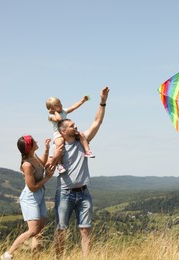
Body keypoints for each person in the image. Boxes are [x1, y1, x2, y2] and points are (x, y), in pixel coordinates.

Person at [50, 86, 110, 258]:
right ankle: (59, 257)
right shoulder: (58, 146)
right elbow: (50, 166)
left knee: (85, 230)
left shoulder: (82, 140)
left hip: (84, 193)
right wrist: (55, 157)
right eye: (71, 125)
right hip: (65, 193)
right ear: (63, 131)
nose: (75, 126)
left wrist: (102, 101)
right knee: (61, 230)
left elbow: (97, 122)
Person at [1, 135, 62, 260]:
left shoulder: (33, 158)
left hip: (39, 196)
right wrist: (47, 177)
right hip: (30, 198)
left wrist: (46, 149)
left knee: (39, 232)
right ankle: (8, 255)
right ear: (29, 148)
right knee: (33, 230)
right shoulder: (27, 165)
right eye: (34, 142)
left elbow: (43, 163)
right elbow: (32, 187)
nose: (37, 141)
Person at [46, 95, 95, 174]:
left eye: (60, 104)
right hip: (58, 133)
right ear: (51, 109)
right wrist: (55, 112)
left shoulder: (63, 111)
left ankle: (87, 151)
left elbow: (73, 107)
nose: (61, 106)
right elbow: (58, 119)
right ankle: (59, 165)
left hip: (67, 131)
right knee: (59, 145)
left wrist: (83, 101)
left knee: (81, 134)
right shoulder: (51, 116)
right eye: (58, 106)